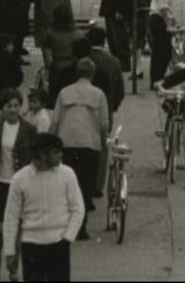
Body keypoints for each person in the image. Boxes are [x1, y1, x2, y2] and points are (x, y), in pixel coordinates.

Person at [2, 132, 84, 283]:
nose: (61, 155)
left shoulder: (67, 174)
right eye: (56, 152)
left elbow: (78, 209)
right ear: (42, 154)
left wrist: (68, 237)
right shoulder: (20, 179)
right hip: (31, 245)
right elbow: (11, 217)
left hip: (59, 244)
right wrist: (9, 251)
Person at [0, 88, 36, 281]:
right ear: (2, 108)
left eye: (16, 105)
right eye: (9, 106)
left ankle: (13, 268)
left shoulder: (29, 129)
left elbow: (33, 156)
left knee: (17, 230)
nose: (13, 109)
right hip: (0, 182)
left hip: (19, 184)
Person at [54, 58, 108, 238]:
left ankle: (65, 223)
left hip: (67, 143)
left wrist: (52, 140)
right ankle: (81, 227)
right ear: (93, 74)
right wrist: (103, 140)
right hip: (89, 144)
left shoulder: (64, 93)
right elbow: (104, 123)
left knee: (67, 184)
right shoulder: (98, 94)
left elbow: (55, 121)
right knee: (85, 185)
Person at [148, 0, 183, 89]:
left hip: (156, 18)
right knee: (163, 52)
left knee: (159, 51)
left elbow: (165, 7)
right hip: (159, 19)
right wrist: (168, 24)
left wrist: (173, 19)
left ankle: (156, 79)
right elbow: (163, 7)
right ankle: (158, 79)